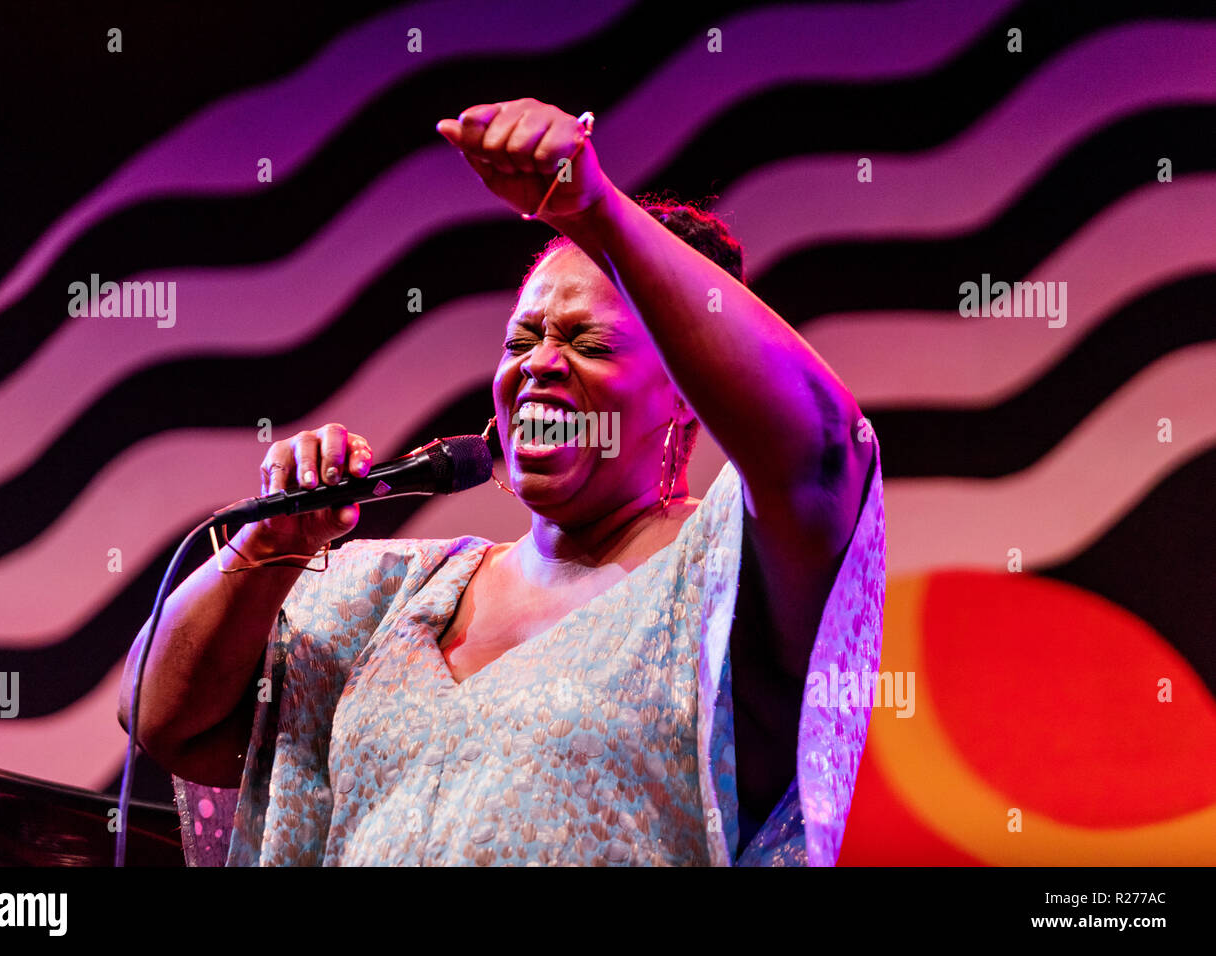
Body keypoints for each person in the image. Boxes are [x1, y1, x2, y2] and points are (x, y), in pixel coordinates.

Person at [117, 98, 886, 866]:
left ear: (683, 391)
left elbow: (824, 450)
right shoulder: (390, 599)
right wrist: (268, 550)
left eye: (587, 341)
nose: (538, 363)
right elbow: (164, 719)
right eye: (523, 338)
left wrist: (598, 212)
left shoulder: (723, 579)